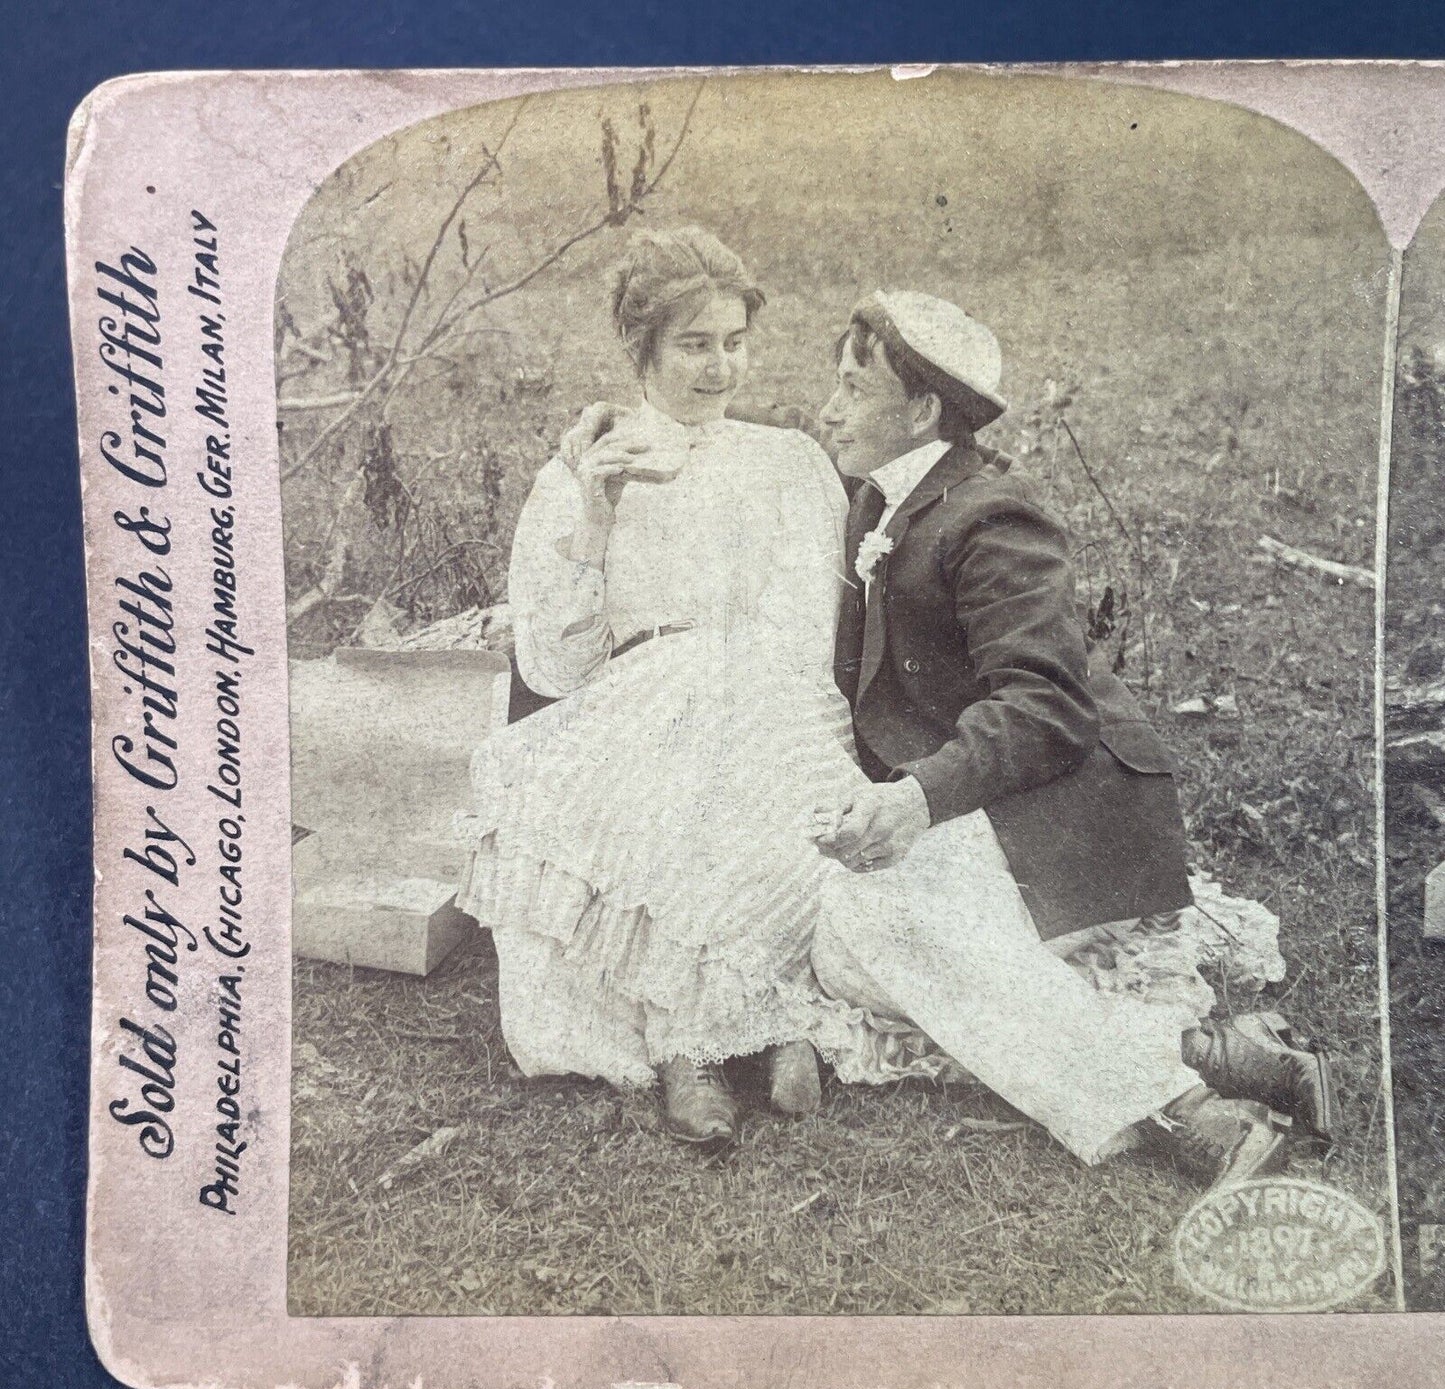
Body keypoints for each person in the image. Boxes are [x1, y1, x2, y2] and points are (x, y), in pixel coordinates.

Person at [806, 290, 1336, 1182]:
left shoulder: (990, 517)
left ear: (926, 411)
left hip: (1063, 803)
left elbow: (1048, 708)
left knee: (870, 922)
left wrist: (917, 796)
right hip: (981, 801)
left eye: (854, 390)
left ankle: (1190, 1113)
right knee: (848, 946)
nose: (826, 409)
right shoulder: (876, 504)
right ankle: (1224, 1054)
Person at [455, 227, 880, 1146]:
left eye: (733, 341)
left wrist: (738, 687)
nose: (719, 367)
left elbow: (811, 628)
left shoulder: (788, 464)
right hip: (632, 697)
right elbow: (556, 666)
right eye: (694, 344)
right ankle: (694, 1039)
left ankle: (764, 1019)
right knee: (672, 758)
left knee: (741, 750)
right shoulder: (584, 470)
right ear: (640, 349)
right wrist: (596, 515)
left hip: (773, 696)